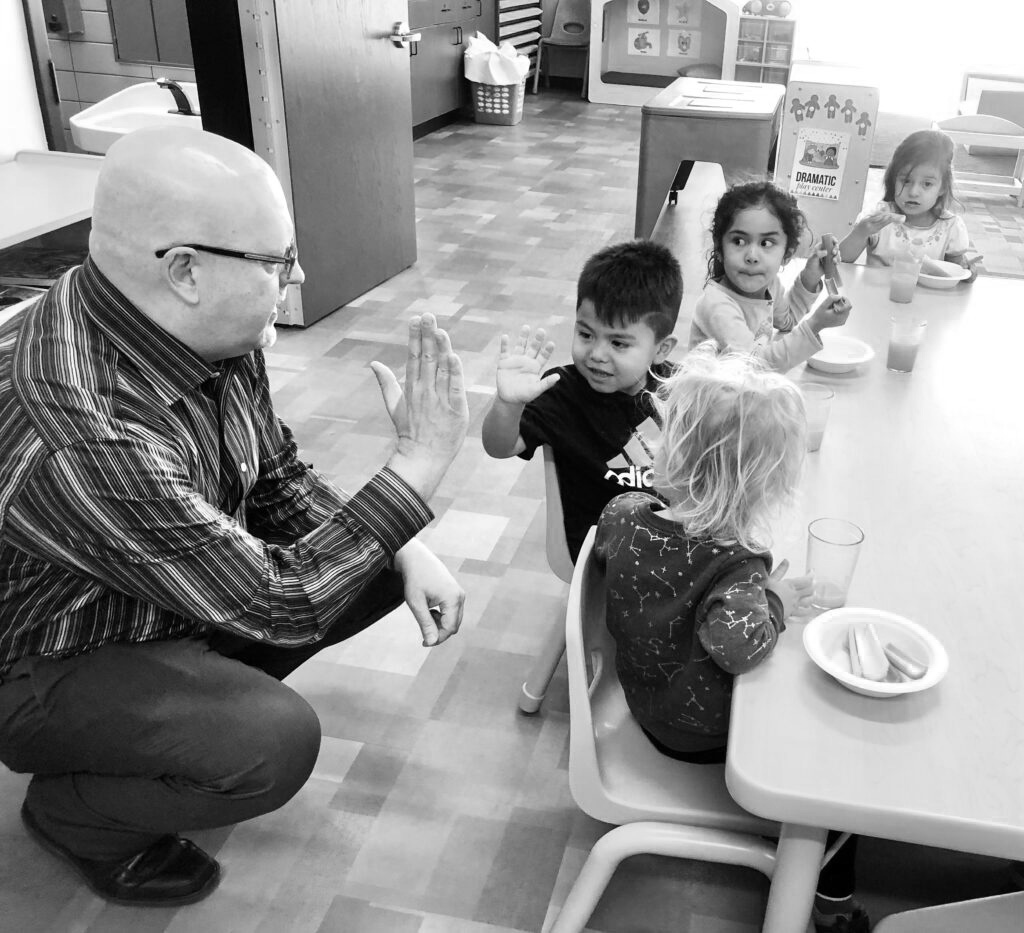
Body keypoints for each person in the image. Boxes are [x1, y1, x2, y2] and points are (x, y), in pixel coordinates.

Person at [0, 126, 469, 907]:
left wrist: (406, 544)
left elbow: (276, 476)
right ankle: (72, 813)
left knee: (377, 559)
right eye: (278, 263)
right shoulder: (79, 429)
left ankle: (171, 717)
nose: (299, 277)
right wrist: (416, 468)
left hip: (148, 594)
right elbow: (285, 600)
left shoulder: (204, 328)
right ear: (184, 269)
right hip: (47, 655)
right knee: (271, 742)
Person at [594, 348, 867, 933]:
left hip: (641, 697)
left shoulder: (623, 511)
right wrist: (774, 598)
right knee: (843, 777)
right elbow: (739, 647)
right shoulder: (737, 566)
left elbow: (651, 574)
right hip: (695, 736)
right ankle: (831, 903)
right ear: (763, 487)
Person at [481, 240, 682, 562]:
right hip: (600, 554)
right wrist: (508, 404)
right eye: (586, 335)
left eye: (618, 343)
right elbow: (499, 447)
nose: (597, 355)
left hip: (673, 544)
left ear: (661, 349)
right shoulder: (562, 392)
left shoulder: (682, 390)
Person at [688, 181, 852, 373]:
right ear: (719, 248)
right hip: (712, 401)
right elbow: (756, 367)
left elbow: (787, 321)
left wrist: (811, 275)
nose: (751, 256)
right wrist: (816, 324)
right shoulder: (716, 306)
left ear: (787, 253)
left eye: (766, 243)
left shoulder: (770, 285)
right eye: (738, 241)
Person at [838, 129, 977, 279]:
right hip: (876, 297)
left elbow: (956, 273)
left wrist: (968, 272)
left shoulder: (951, 227)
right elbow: (842, 261)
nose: (913, 192)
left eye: (927, 184)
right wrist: (861, 232)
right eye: (906, 181)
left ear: (942, 188)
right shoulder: (879, 216)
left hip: (929, 301)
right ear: (893, 179)